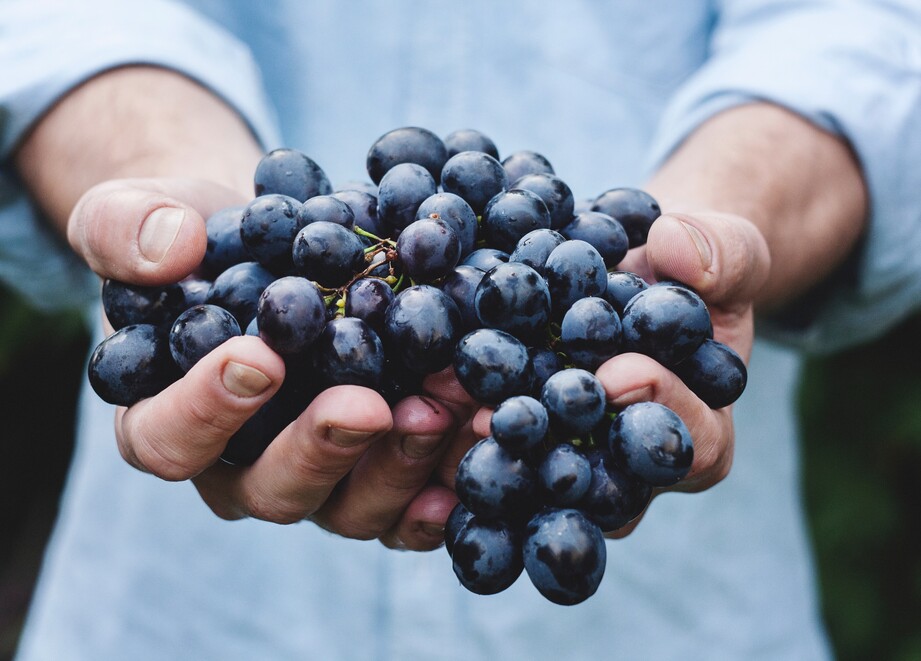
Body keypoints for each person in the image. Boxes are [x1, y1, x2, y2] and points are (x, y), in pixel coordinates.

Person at [2, 1, 920, 659]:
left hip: (678, 619)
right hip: (184, 615)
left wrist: (717, 223)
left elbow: (857, 34)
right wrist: (159, 187)